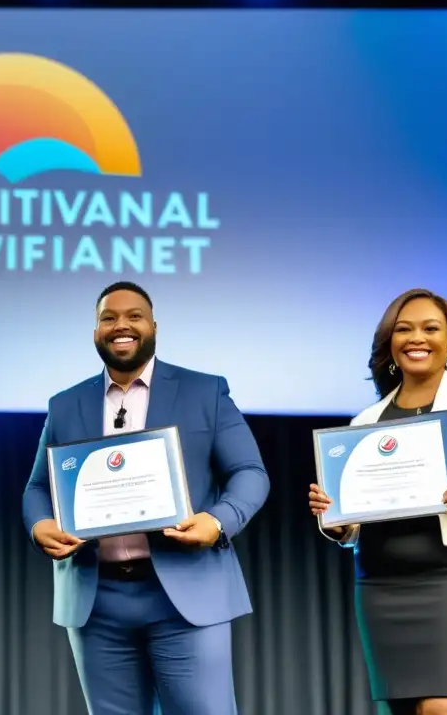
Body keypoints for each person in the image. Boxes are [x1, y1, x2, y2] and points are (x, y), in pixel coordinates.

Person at [23, 281, 270, 715]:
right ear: (95, 331)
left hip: (186, 592)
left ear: (153, 326)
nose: (122, 325)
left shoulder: (204, 391)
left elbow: (250, 473)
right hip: (97, 602)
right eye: (108, 318)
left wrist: (217, 522)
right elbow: (38, 488)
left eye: (134, 316)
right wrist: (40, 524)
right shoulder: (65, 405)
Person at [309, 288, 447, 715]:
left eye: (431, 328)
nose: (417, 338)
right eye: (404, 329)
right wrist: (335, 521)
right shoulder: (364, 422)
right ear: (390, 343)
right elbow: (353, 524)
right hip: (382, 584)